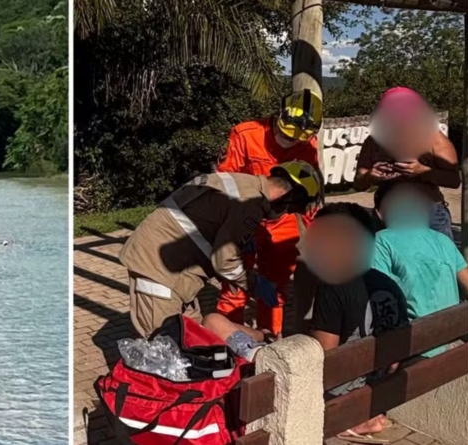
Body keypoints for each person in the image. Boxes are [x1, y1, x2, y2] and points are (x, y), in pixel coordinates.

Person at [203, 203, 408, 441]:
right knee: (260, 334)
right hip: (376, 384)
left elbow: (321, 359)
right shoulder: (386, 283)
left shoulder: (336, 286)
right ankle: (265, 336)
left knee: (212, 322)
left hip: (337, 392)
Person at [120, 161, 324, 338]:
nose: (284, 214)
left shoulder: (243, 184)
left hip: (170, 267)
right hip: (159, 270)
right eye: (290, 209)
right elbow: (225, 262)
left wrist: (240, 241)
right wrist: (255, 284)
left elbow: (210, 219)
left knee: (191, 335)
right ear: (287, 196)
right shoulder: (249, 205)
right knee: (164, 346)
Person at [215, 89, 321, 336]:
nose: (288, 141)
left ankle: (269, 339)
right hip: (242, 219)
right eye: (284, 134)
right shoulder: (245, 134)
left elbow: (308, 193)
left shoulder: (308, 145)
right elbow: (223, 183)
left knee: (275, 290)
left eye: (295, 139)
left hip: (282, 223)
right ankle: (225, 342)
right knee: (234, 287)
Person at [371, 181, 468, 357]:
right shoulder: (444, 240)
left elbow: (378, 298)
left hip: (415, 346)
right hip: (450, 339)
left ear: (379, 213)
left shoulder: (381, 241)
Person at [353, 87, 460, 240]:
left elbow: (454, 180)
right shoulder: (373, 142)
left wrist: (423, 171)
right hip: (387, 214)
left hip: (429, 214)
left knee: (438, 263)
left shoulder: (434, 138)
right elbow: (358, 183)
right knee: (388, 263)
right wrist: (370, 175)